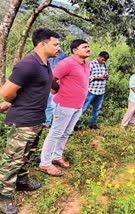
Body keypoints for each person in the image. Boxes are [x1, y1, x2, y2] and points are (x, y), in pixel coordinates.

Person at [0, 28, 60, 214]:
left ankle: (22, 181)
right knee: (12, 160)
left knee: (26, 154)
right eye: (55, 44)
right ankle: (4, 198)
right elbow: (5, 93)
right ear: (42, 44)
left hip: (36, 118)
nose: (58, 47)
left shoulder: (44, 63)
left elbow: (46, 85)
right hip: (23, 120)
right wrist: (14, 103)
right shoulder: (27, 64)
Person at [39, 39, 90, 177]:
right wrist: (55, 90)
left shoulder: (86, 65)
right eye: (84, 47)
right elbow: (51, 79)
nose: (88, 49)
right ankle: (45, 163)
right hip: (64, 104)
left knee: (66, 132)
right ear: (75, 50)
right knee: (55, 132)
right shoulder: (67, 63)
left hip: (77, 105)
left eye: (88, 46)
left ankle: (57, 156)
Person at [76, 51, 110, 130]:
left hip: (101, 91)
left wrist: (106, 76)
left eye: (105, 60)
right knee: (84, 108)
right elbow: (86, 77)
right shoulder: (91, 64)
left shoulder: (104, 65)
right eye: (103, 59)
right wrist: (98, 77)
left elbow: (105, 74)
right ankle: (77, 124)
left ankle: (92, 124)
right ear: (99, 56)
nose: (104, 61)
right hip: (91, 90)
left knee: (97, 108)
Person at [44, 50, 67, 128]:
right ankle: (46, 122)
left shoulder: (63, 55)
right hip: (45, 80)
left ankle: (49, 123)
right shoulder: (47, 53)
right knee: (47, 103)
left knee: (52, 104)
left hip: (56, 83)